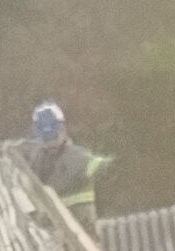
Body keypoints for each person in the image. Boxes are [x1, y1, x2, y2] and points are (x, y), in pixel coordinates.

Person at [17, 102, 113, 237]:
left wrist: (109, 164)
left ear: (62, 129)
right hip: (53, 234)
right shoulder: (37, 160)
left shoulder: (78, 157)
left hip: (81, 233)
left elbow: (105, 167)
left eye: (52, 135)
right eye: (46, 137)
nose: (50, 142)